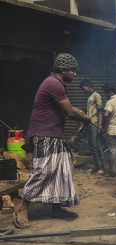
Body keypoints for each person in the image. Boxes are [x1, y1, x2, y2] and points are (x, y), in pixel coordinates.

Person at [16, 53, 91, 229]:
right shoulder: (53, 83)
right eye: (73, 70)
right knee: (44, 170)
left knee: (62, 170)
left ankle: (56, 208)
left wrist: (81, 114)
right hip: (45, 134)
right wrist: (85, 118)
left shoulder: (57, 84)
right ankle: (22, 208)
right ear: (63, 69)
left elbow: (69, 108)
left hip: (54, 135)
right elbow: (70, 112)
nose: (75, 74)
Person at [78, 79, 104, 174]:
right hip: (89, 123)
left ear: (88, 86)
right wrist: (82, 125)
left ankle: (101, 167)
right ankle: (96, 166)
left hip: (95, 123)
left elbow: (100, 111)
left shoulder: (97, 95)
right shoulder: (90, 97)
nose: (83, 90)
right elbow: (88, 112)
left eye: (83, 88)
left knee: (96, 145)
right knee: (92, 146)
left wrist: (100, 124)